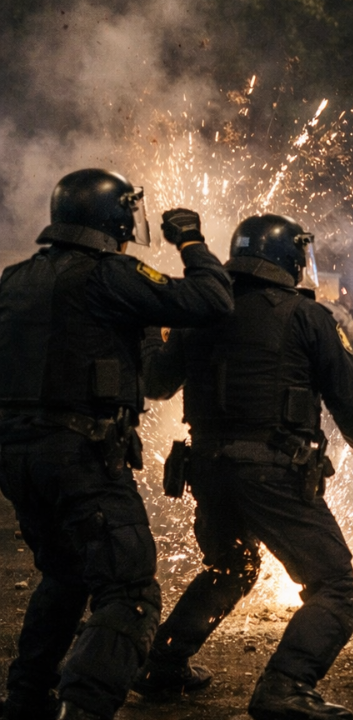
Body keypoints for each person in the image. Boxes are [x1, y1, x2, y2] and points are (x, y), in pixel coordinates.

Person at [0, 169, 234, 720]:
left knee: (65, 573)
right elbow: (212, 300)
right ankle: (84, 707)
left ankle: (26, 701)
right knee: (130, 593)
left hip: (15, 456)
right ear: (116, 217)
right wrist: (192, 243)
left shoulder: (15, 277)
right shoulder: (109, 273)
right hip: (79, 455)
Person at [135, 214, 353, 719]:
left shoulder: (201, 313)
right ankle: (286, 687)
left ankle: (161, 665)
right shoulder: (307, 316)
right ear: (290, 257)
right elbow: (351, 401)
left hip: (207, 469)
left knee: (232, 567)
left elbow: (156, 383)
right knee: (337, 590)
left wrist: (144, 329)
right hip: (272, 472)